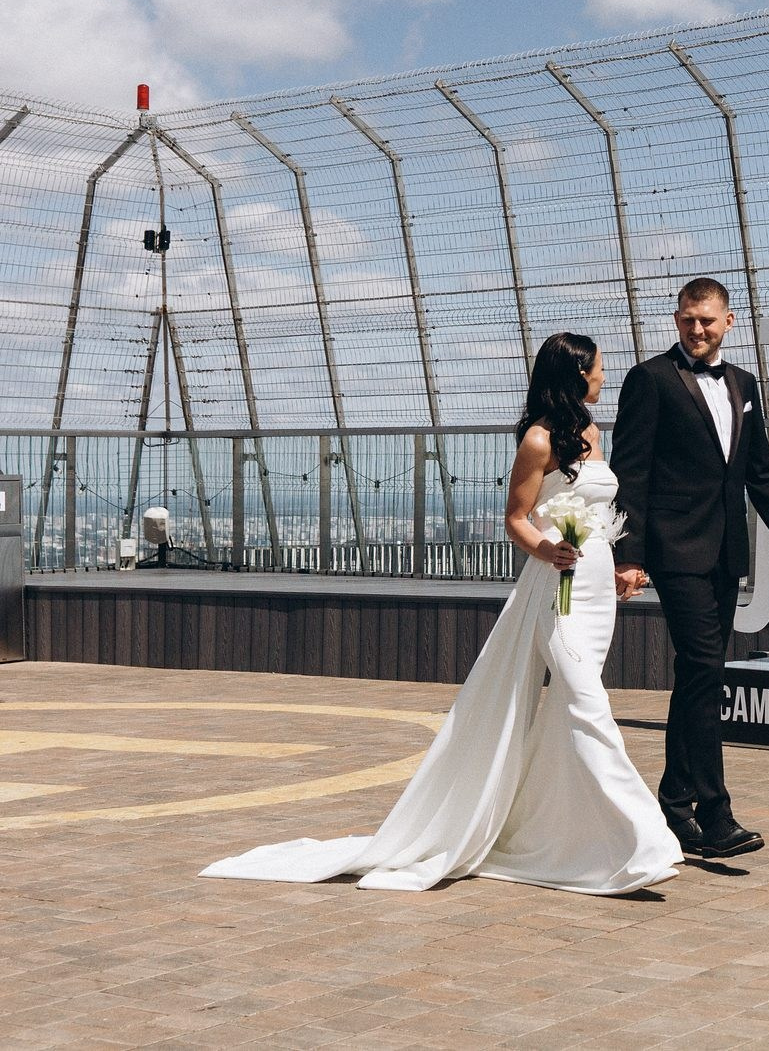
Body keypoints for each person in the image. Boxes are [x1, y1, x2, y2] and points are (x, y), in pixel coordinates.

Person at [201, 333, 682, 894]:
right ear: (575, 375)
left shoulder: (595, 434)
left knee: (571, 712)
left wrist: (620, 565)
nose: (605, 377)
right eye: (599, 370)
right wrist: (548, 550)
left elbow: (599, 510)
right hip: (557, 586)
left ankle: (567, 838)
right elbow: (517, 519)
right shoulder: (538, 440)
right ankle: (644, 836)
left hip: (596, 586)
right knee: (587, 704)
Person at [612, 276, 769, 859]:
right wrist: (630, 556)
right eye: (686, 321)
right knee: (703, 666)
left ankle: (675, 805)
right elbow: (633, 474)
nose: (696, 331)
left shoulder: (744, 385)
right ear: (676, 322)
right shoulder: (649, 380)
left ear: (729, 323)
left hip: (726, 552)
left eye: (705, 321)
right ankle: (715, 811)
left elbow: (760, 473)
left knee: (702, 676)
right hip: (673, 552)